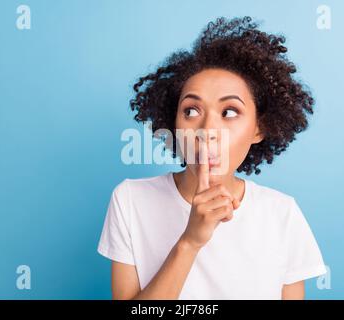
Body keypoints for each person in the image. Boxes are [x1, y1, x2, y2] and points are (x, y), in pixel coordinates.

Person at [97, 16, 327, 300]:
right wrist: (191, 241)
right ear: (174, 123)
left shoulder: (282, 214)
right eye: (191, 111)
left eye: (230, 112)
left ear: (259, 128)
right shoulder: (130, 201)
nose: (207, 131)